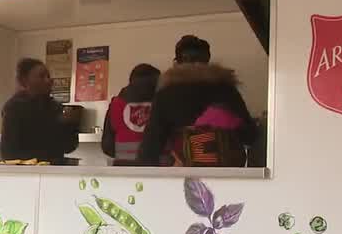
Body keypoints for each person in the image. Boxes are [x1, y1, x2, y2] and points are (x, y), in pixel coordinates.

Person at [136, 35, 258, 166]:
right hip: (225, 170)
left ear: (177, 62)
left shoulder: (167, 93)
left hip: (185, 169)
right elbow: (250, 135)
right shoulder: (226, 90)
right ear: (207, 60)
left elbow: (150, 147)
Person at [0, 58, 79, 164]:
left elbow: (69, 147)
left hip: (52, 173)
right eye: (42, 76)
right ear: (24, 81)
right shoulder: (14, 107)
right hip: (25, 173)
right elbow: (8, 153)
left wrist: (70, 125)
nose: (48, 80)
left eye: (48, 76)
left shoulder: (55, 107)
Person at [102, 63, 161, 164]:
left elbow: (107, 145)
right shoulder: (162, 102)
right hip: (157, 165)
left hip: (125, 164)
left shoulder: (116, 104)